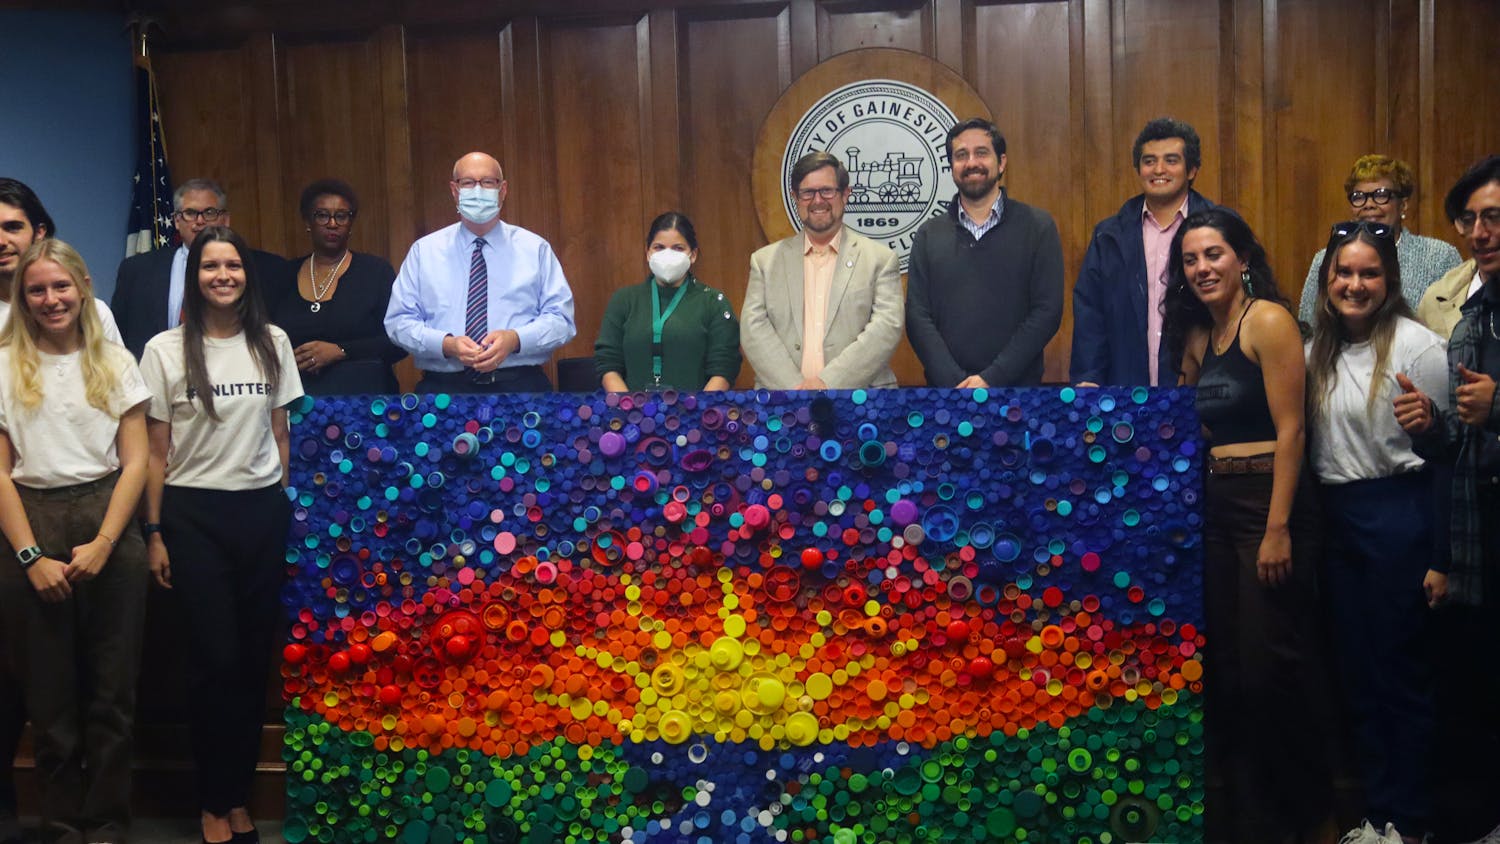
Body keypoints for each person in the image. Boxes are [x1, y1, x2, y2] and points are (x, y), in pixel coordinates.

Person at [1161, 209, 1332, 844]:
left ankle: (1307, 817)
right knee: (1228, 671)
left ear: (1241, 259)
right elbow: (1196, 429)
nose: (1202, 268)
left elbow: (1292, 430)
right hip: (1216, 507)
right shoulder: (1200, 336)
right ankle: (1248, 819)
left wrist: (1278, 528)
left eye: (1214, 255)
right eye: (1190, 259)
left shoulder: (1269, 321)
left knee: (1270, 671)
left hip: (1271, 505)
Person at [139, 226, 302, 844]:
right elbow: (155, 452)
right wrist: (154, 533)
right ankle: (212, 801)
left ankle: (237, 798)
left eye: (233, 264)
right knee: (214, 662)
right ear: (195, 276)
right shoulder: (164, 349)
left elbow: (281, 435)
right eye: (211, 266)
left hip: (260, 514)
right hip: (192, 517)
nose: (223, 275)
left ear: (246, 275)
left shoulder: (273, 342)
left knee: (252, 663)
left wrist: (282, 502)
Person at [0, 239, 150, 844]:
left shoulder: (113, 359)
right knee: (50, 705)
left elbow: (137, 461)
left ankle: (109, 826)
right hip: (28, 522)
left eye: (61, 286)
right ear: (23, 297)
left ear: (82, 288)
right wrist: (31, 556)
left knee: (112, 698)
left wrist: (106, 542)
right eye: (37, 289)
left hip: (107, 516)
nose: (50, 299)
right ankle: (61, 827)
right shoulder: (6, 363)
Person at [1304, 221, 1447, 844]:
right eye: (1343, 272)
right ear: (1327, 278)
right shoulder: (1316, 353)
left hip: (1400, 516)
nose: (1353, 284)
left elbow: (1445, 455)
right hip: (1338, 521)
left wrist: (1441, 556)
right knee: (1357, 678)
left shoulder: (1418, 347)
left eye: (1368, 273)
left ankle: (1410, 822)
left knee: (1400, 677)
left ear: (1388, 281)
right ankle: (1377, 814)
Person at [1394, 155, 1500, 844]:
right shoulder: (1468, 314)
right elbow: (1462, 449)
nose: (1480, 232)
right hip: (1477, 539)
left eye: (1494, 217)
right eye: (1470, 219)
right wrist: (1433, 431)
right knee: (1475, 696)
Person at [385, 152, 576, 393]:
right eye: (468, 182)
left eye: (487, 182)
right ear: (455, 191)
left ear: (502, 190)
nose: (478, 190)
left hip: (521, 388)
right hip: (443, 391)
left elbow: (562, 320)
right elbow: (398, 322)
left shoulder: (534, 249)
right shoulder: (424, 252)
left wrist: (515, 340)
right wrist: (446, 344)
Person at [905, 117, 1063, 387]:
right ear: (952, 166)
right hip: (947, 395)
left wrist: (992, 378)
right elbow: (917, 316)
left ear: (1001, 162)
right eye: (961, 155)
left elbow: (1047, 311)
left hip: (1018, 395)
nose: (971, 163)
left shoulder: (1038, 227)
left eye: (981, 153)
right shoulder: (929, 234)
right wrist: (955, 381)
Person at [1071, 118, 1223, 386]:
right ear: (1139, 169)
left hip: (1204, 390)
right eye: (1149, 161)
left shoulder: (1220, 228)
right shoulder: (1108, 236)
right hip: (1124, 393)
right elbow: (1090, 315)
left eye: (1171, 160)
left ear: (1192, 170)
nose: (1159, 169)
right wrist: (1089, 378)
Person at [741, 151, 903, 390]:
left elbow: (886, 328)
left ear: (845, 194)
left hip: (861, 403)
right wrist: (796, 389)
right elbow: (753, 329)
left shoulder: (879, 260)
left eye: (827, 191)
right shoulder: (764, 262)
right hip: (782, 404)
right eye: (808, 193)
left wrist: (828, 384)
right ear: (795, 197)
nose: (817, 201)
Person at [111, 178, 288, 360]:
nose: (200, 221)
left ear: (225, 220)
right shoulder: (136, 270)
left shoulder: (268, 268)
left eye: (209, 213)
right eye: (190, 213)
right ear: (177, 221)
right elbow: (116, 341)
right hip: (157, 377)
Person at [1296, 155, 1462, 327]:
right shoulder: (1325, 259)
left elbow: (1453, 330)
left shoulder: (1440, 256)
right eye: (1359, 196)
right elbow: (1309, 328)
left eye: (1381, 195)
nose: (1368, 204)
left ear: (1403, 205)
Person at [271, 179, 402, 394]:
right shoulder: (282, 275)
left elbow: (398, 342)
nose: (332, 224)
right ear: (307, 222)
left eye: (341, 216)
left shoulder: (375, 272)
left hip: (366, 402)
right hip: (297, 400)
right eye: (322, 215)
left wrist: (341, 351)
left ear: (351, 223)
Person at [594, 212, 740, 391]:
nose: (668, 254)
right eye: (659, 247)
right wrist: (629, 410)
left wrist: (698, 414)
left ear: (693, 255)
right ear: (647, 252)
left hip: (697, 413)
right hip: (631, 413)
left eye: (678, 248)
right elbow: (608, 363)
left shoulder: (713, 303)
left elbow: (724, 368)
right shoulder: (624, 300)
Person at [0, 178, 123, 344]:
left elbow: (116, 369)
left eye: (12, 227)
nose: (1, 241)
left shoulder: (91, 313)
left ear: (39, 233)